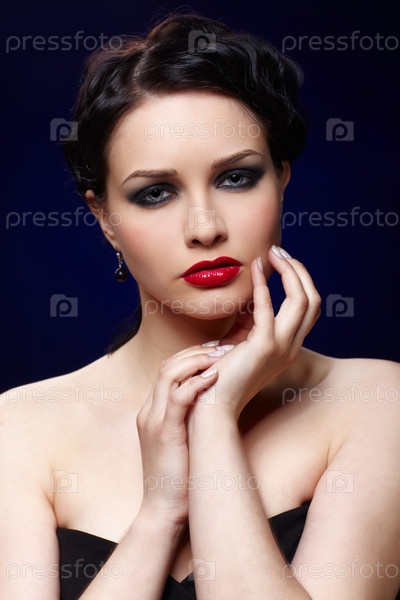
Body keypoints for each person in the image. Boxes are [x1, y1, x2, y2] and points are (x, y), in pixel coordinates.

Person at [1, 12, 399, 600]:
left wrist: (213, 417)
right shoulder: (19, 428)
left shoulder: (378, 402)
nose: (205, 227)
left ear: (281, 179)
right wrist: (159, 513)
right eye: (155, 193)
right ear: (105, 219)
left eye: (236, 178)